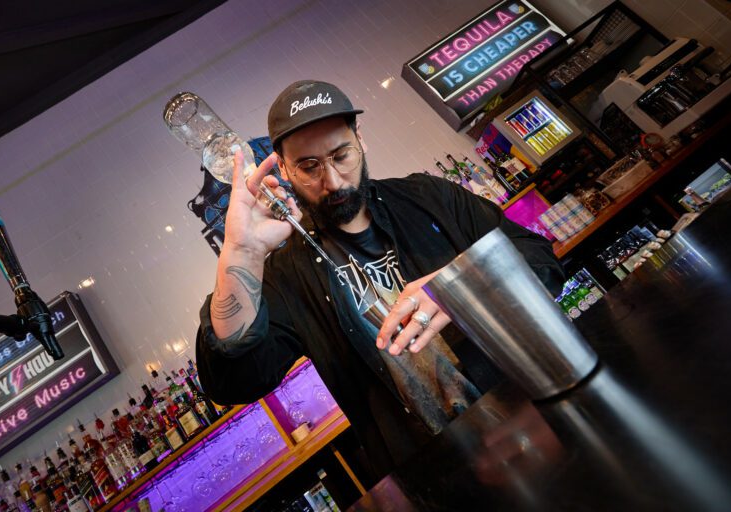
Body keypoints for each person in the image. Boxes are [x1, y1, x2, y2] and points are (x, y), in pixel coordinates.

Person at [196, 80, 565, 478]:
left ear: (361, 141)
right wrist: (243, 252)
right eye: (308, 166)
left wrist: (458, 285)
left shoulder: (429, 198)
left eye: (341, 155)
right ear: (283, 169)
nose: (333, 180)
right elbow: (233, 381)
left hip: (536, 419)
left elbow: (541, 261)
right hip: (435, 477)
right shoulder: (287, 276)